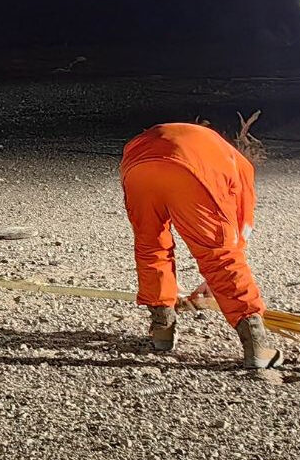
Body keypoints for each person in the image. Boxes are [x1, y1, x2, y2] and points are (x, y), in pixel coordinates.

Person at [119, 122, 283, 369]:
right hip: (190, 171)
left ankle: (162, 329)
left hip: (137, 165)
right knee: (219, 255)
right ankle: (256, 345)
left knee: (150, 246)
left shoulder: (200, 137)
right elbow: (239, 228)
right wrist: (215, 281)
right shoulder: (236, 162)